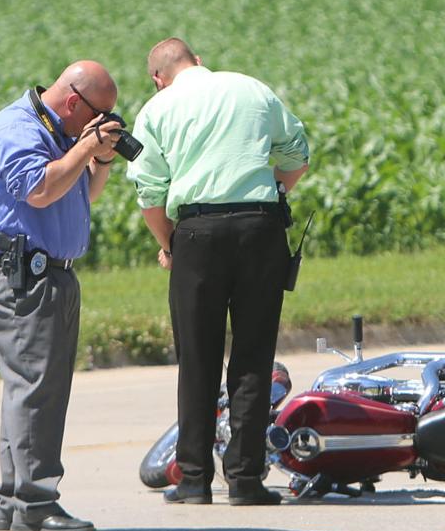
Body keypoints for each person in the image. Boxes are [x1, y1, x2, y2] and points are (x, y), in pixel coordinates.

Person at [127, 38, 309, 506]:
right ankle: (246, 480)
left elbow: (149, 192)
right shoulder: (252, 89)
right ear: (199, 62)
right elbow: (297, 155)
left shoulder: (158, 107)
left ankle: (192, 480)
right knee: (252, 357)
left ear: (158, 76)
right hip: (259, 229)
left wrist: (170, 244)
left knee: (197, 358)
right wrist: (275, 185)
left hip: (197, 232)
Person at [0, 61, 122, 531]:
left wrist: (97, 158)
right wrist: (84, 148)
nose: (99, 125)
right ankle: (36, 502)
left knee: (29, 388)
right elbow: (39, 190)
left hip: (52, 277)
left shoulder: (63, 136)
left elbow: (84, 193)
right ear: (75, 102)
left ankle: (13, 500)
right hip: (24, 277)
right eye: (99, 115)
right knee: (37, 389)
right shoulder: (18, 129)